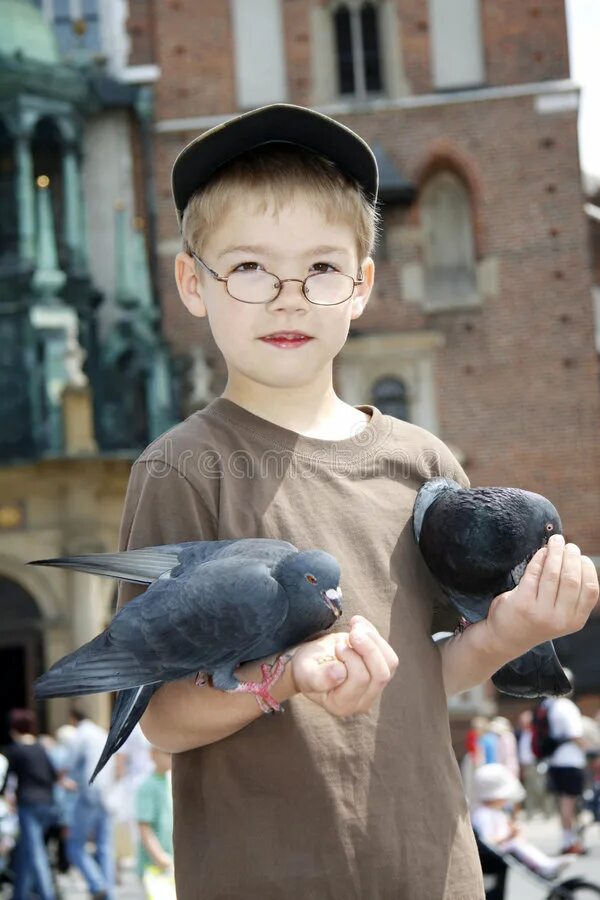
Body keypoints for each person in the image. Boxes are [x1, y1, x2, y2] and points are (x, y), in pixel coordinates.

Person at [116, 102, 599, 898]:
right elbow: (160, 717)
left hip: (433, 872)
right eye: (247, 267)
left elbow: (426, 678)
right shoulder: (181, 470)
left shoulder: (423, 463)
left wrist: (515, 628)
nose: (288, 296)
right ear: (191, 283)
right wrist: (287, 676)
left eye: (322, 268)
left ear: (363, 284)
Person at [471, 764, 572, 881]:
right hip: (493, 854)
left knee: (520, 844)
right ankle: (544, 865)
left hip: (500, 849)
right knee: (516, 845)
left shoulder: (494, 812)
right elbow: (488, 842)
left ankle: (545, 863)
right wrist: (509, 836)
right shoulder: (482, 814)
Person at [0, 709, 57, 900]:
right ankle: (19, 895)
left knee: (36, 853)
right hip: (47, 804)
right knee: (27, 850)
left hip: (28, 806)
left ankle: (48, 895)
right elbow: (53, 775)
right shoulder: (40, 748)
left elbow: (8, 780)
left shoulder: (15, 750)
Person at [66, 707, 116, 899]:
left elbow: (67, 764)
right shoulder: (101, 733)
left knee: (75, 845)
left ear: (73, 719)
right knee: (104, 847)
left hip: (89, 793)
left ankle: (97, 883)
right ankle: (109, 894)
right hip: (107, 794)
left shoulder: (80, 734)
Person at [546, 670, 587, 854]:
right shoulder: (567, 706)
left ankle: (567, 840)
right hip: (570, 761)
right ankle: (570, 842)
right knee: (569, 803)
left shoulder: (549, 705)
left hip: (555, 761)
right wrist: (590, 749)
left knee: (563, 802)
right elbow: (575, 735)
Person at [136, 748, 174, 899]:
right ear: (152, 754)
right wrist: (159, 857)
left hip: (168, 863)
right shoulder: (147, 786)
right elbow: (144, 827)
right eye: (167, 753)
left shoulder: (169, 782)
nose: (171, 757)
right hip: (152, 866)